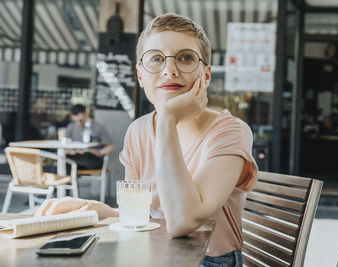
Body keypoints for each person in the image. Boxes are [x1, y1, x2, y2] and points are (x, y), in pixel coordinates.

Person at [35, 13, 258, 266]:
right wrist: (100, 210)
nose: (170, 70)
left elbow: (182, 221)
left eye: (185, 58)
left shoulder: (230, 131)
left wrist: (167, 119)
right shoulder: (139, 130)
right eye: (156, 59)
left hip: (210, 260)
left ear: (206, 76)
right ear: (141, 76)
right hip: (154, 251)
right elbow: (147, 216)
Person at [66, 104, 115, 169]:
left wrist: (99, 152)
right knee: (62, 161)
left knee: (70, 162)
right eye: (75, 121)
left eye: (80, 120)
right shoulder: (71, 127)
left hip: (93, 159)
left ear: (86, 114)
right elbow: (65, 145)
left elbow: (111, 147)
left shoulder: (98, 127)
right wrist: (68, 151)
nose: (78, 124)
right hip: (75, 158)